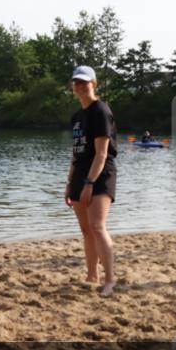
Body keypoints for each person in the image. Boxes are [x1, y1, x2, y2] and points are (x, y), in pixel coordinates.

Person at [64, 65, 118, 296]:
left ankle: (110, 279)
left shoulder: (100, 110)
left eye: (84, 82)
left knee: (97, 226)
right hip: (80, 175)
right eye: (76, 82)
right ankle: (91, 275)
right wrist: (69, 183)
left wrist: (89, 183)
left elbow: (102, 153)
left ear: (93, 84)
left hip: (100, 174)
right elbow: (76, 154)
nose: (80, 86)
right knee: (86, 230)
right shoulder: (77, 117)